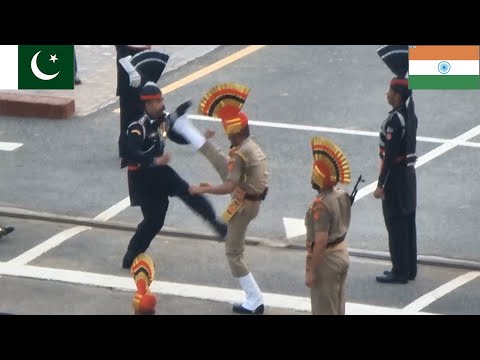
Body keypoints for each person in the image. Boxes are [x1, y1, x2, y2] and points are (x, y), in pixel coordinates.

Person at [170, 83, 269, 315]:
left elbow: (228, 187)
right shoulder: (249, 147)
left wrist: (202, 190)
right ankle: (183, 125)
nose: (227, 135)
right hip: (247, 195)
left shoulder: (241, 153)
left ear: (236, 131)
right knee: (215, 156)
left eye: (229, 132)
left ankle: (254, 299)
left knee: (233, 252)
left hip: (244, 203)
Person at [121, 81, 227, 269]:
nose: (161, 104)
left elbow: (171, 135)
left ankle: (216, 224)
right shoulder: (138, 126)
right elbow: (130, 152)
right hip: (142, 177)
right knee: (154, 219)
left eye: (161, 100)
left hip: (160, 173)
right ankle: (131, 255)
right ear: (147, 104)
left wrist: (200, 136)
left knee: (188, 191)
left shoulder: (161, 121)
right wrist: (154, 160)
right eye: (156, 101)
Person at [373, 77, 418, 284]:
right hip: (408, 176)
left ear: (398, 95)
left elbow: (389, 157)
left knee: (395, 223)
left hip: (396, 178)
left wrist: (381, 185)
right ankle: (409, 268)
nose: (387, 94)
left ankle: (399, 270)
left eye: (390, 91)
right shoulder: (410, 115)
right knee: (408, 222)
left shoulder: (394, 121)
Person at [304, 137, 352, 315]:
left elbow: (321, 240)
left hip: (327, 260)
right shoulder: (341, 195)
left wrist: (311, 270)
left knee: (324, 309)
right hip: (342, 252)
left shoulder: (321, 205)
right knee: (338, 307)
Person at [115, 45, 152, 157]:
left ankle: (141, 141)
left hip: (142, 57)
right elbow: (121, 49)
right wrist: (131, 70)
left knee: (142, 107)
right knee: (129, 108)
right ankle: (127, 147)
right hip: (127, 61)